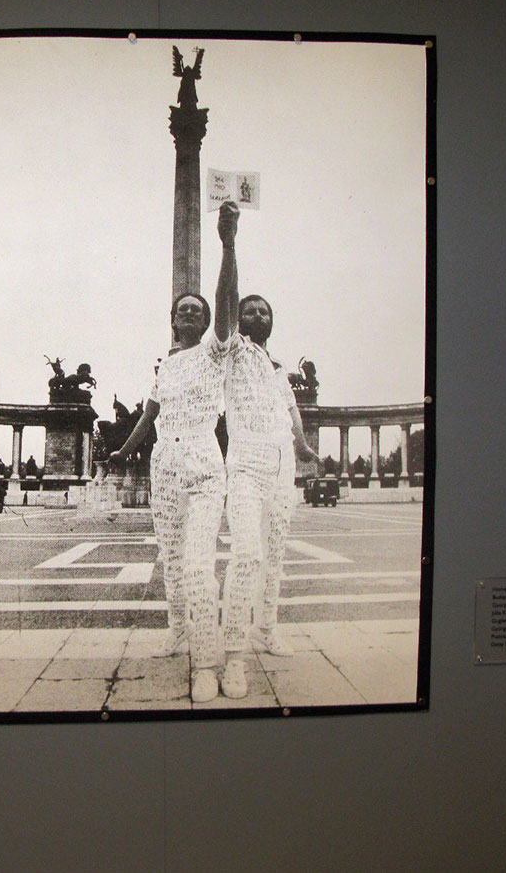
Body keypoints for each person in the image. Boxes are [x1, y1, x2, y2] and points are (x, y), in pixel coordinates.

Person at [109, 236, 232, 704]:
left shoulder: (215, 352)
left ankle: (206, 662)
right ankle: (178, 632)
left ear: (207, 322)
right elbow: (149, 416)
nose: (190, 316)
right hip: (165, 467)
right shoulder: (166, 366)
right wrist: (123, 451)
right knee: (174, 561)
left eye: (197, 312)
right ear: (173, 319)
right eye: (183, 310)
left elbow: (225, 305)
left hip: (203, 463)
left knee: (201, 565)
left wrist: (228, 244)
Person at [214, 202, 320, 699]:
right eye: (250, 309)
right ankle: (233, 655)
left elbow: (292, 414)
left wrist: (303, 448)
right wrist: (229, 245)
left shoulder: (279, 370)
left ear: (274, 322)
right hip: (247, 466)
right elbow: (227, 297)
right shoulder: (232, 348)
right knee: (247, 556)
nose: (257, 313)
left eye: (265, 310)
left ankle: (266, 628)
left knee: (275, 555)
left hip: (282, 469)